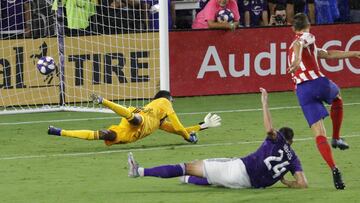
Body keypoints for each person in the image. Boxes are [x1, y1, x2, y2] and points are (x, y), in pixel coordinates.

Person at [127, 88, 308, 189]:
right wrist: (286, 182)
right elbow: (302, 183)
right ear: (291, 142)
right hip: (248, 185)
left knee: (188, 167)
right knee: (216, 176)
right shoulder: (294, 158)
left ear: (281, 135)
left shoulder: (276, 139)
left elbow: (269, 129)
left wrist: (265, 103)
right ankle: (187, 180)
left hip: (240, 169)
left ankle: (140, 171)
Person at [287, 13, 360, 189]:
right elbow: (300, 42)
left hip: (302, 91)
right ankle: (336, 138)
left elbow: (327, 54)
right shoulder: (306, 36)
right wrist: (297, 59)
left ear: (292, 28)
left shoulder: (295, 46)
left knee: (319, 133)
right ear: (308, 25)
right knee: (337, 96)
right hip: (317, 83)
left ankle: (334, 169)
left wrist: (353, 53)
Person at [48, 90, 221, 145]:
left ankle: (58, 132)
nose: (173, 102)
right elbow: (179, 126)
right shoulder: (163, 102)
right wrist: (189, 139)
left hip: (130, 134)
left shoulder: (160, 123)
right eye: (172, 99)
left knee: (104, 134)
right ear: (166, 99)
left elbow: (178, 129)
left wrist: (203, 126)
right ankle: (103, 101)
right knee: (135, 118)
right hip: (138, 119)